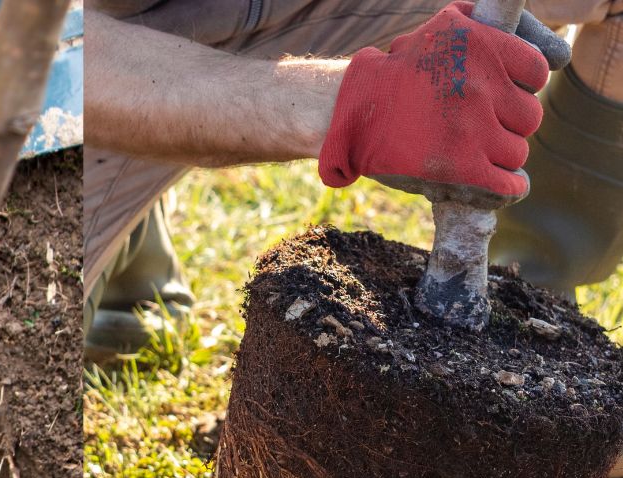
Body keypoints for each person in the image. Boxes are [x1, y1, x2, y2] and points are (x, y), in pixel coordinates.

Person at [84, 1, 619, 359]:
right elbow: (8, 52)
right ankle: (123, 230)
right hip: (76, 66)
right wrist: (351, 104)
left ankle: (531, 309)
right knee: (13, 400)